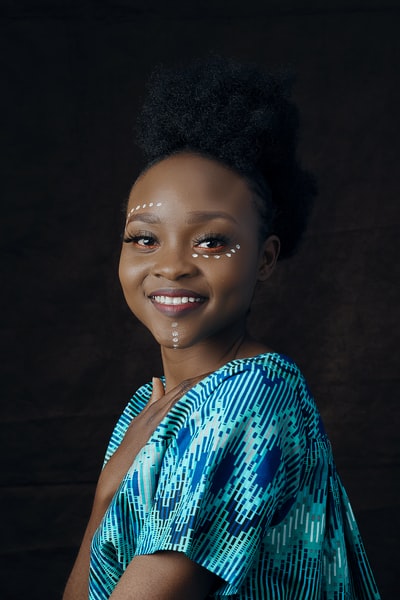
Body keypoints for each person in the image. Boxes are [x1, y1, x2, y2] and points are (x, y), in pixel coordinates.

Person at [63, 57, 380, 599]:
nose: (171, 265)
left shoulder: (252, 397)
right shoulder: (149, 408)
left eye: (211, 241)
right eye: (144, 238)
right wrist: (104, 499)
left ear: (264, 258)